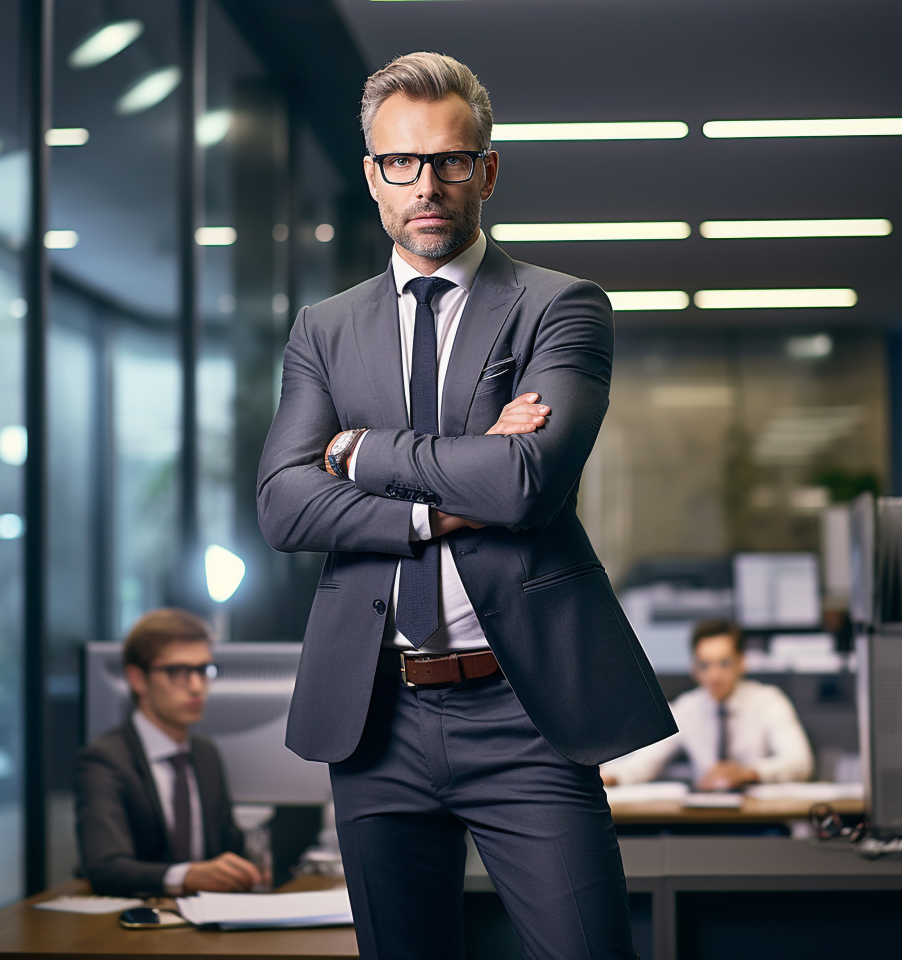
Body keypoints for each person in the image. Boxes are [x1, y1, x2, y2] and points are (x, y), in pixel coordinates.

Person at [257, 52, 676, 960]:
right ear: (372, 177)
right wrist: (437, 502)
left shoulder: (558, 308)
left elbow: (527, 483)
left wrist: (360, 453)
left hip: (524, 711)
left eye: (450, 159)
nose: (427, 185)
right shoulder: (323, 331)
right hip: (376, 715)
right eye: (400, 163)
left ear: (486, 169)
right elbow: (285, 505)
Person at [74, 608, 264, 897]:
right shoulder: (104, 760)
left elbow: (230, 848)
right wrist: (187, 876)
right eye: (177, 672)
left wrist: (248, 869)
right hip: (137, 926)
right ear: (137, 679)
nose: (197, 687)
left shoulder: (205, 754)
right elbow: (104, 867)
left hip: (207, 923)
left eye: (203, 670)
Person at [602, 619, 814, 790]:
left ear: (742, 662)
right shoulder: (687, 707)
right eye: (705, 665)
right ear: (694, 668)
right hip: (706, 816)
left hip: (761, 816)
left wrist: (748, 772)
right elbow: (646, 762)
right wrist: (609, 776)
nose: (714, 674)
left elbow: (799, 761)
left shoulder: (769, 701)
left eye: (724, 663)